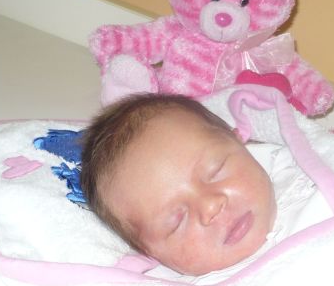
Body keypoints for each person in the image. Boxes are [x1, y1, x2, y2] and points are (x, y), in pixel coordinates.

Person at [80, 94, 278, 276]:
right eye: (177, 221)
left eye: (216, 170)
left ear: (238, 139)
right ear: (150, 253)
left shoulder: (294, 165)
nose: (210, 206)